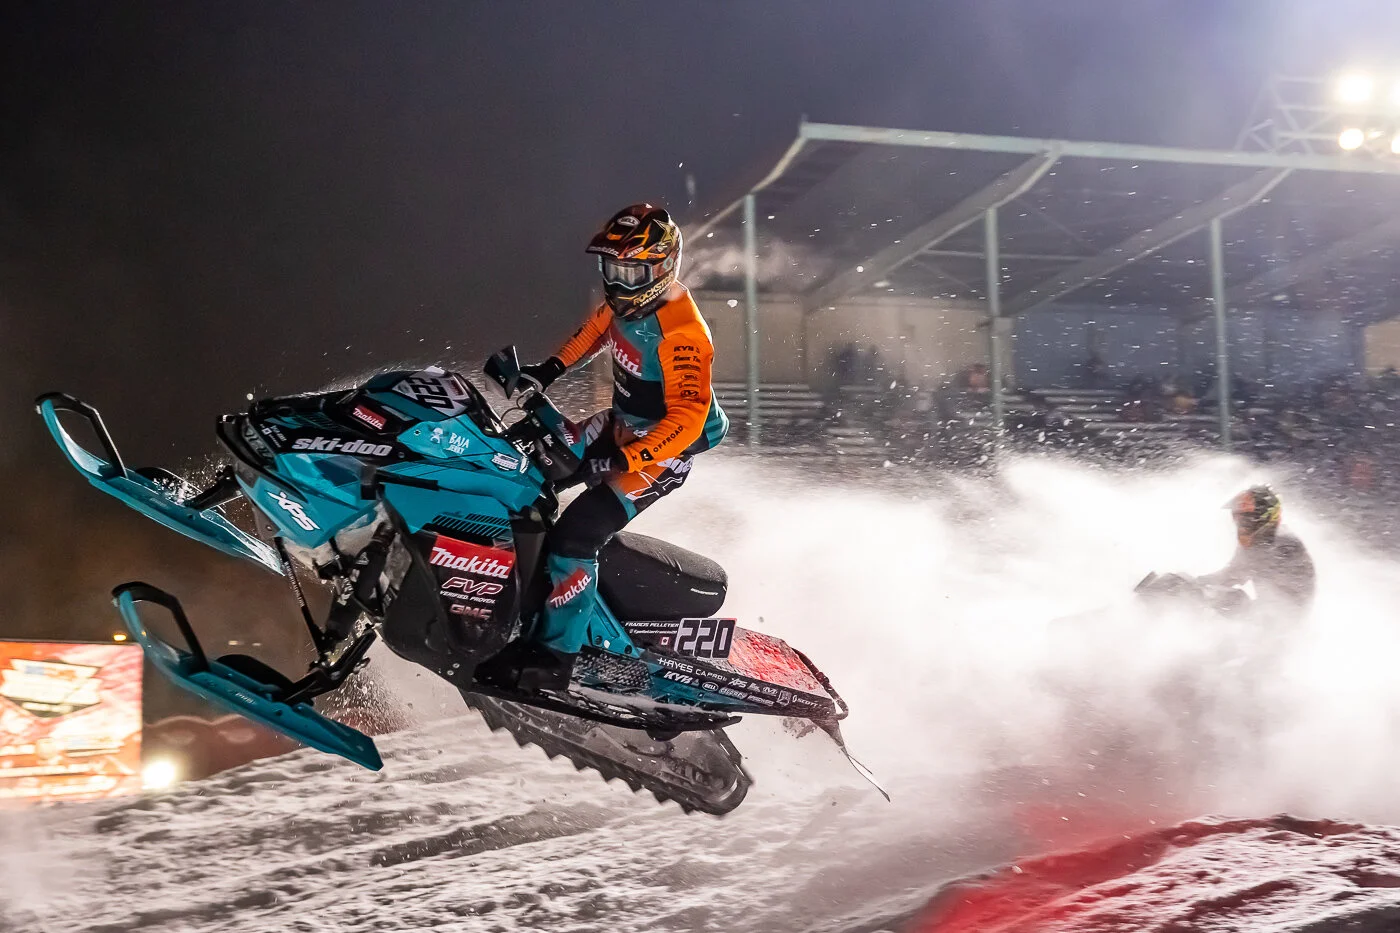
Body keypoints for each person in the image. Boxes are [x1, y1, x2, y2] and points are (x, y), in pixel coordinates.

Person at [498, 203, 728, 689]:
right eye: (611, 268)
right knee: (521, 469)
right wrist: (548, 370)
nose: (618, 283)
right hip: (622, 424)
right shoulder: (627, 305)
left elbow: (688, 421)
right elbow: (596, 329)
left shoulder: (683, 335)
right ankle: (511, 599)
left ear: (663, 267)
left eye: (631, 272)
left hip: (663, 452)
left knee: (576, 536)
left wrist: (624, 458)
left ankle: (556, 658)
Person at [1196, 484, 1315, 616]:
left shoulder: (1284, 546)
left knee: (1231, 599)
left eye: (1247, 518)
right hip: (1266, 612)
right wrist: (1198, 582)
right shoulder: (1257, 541)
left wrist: (1217, 596)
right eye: (1238, 518)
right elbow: (1233, 573)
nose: (1241, 523)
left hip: (1283, 616)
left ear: (1265, 516)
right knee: (1215, 598)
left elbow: (1291, 598)